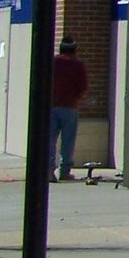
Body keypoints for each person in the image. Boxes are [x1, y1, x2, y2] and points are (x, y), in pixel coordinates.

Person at [51, 37, 88, 182]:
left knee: (50, 140)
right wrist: (77, 97)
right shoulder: (78, 64)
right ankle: (65, 171)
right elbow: (83, 87)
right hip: (69, 107)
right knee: (68, 141)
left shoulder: (53, 62)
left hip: (51, 106)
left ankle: (48, 171)